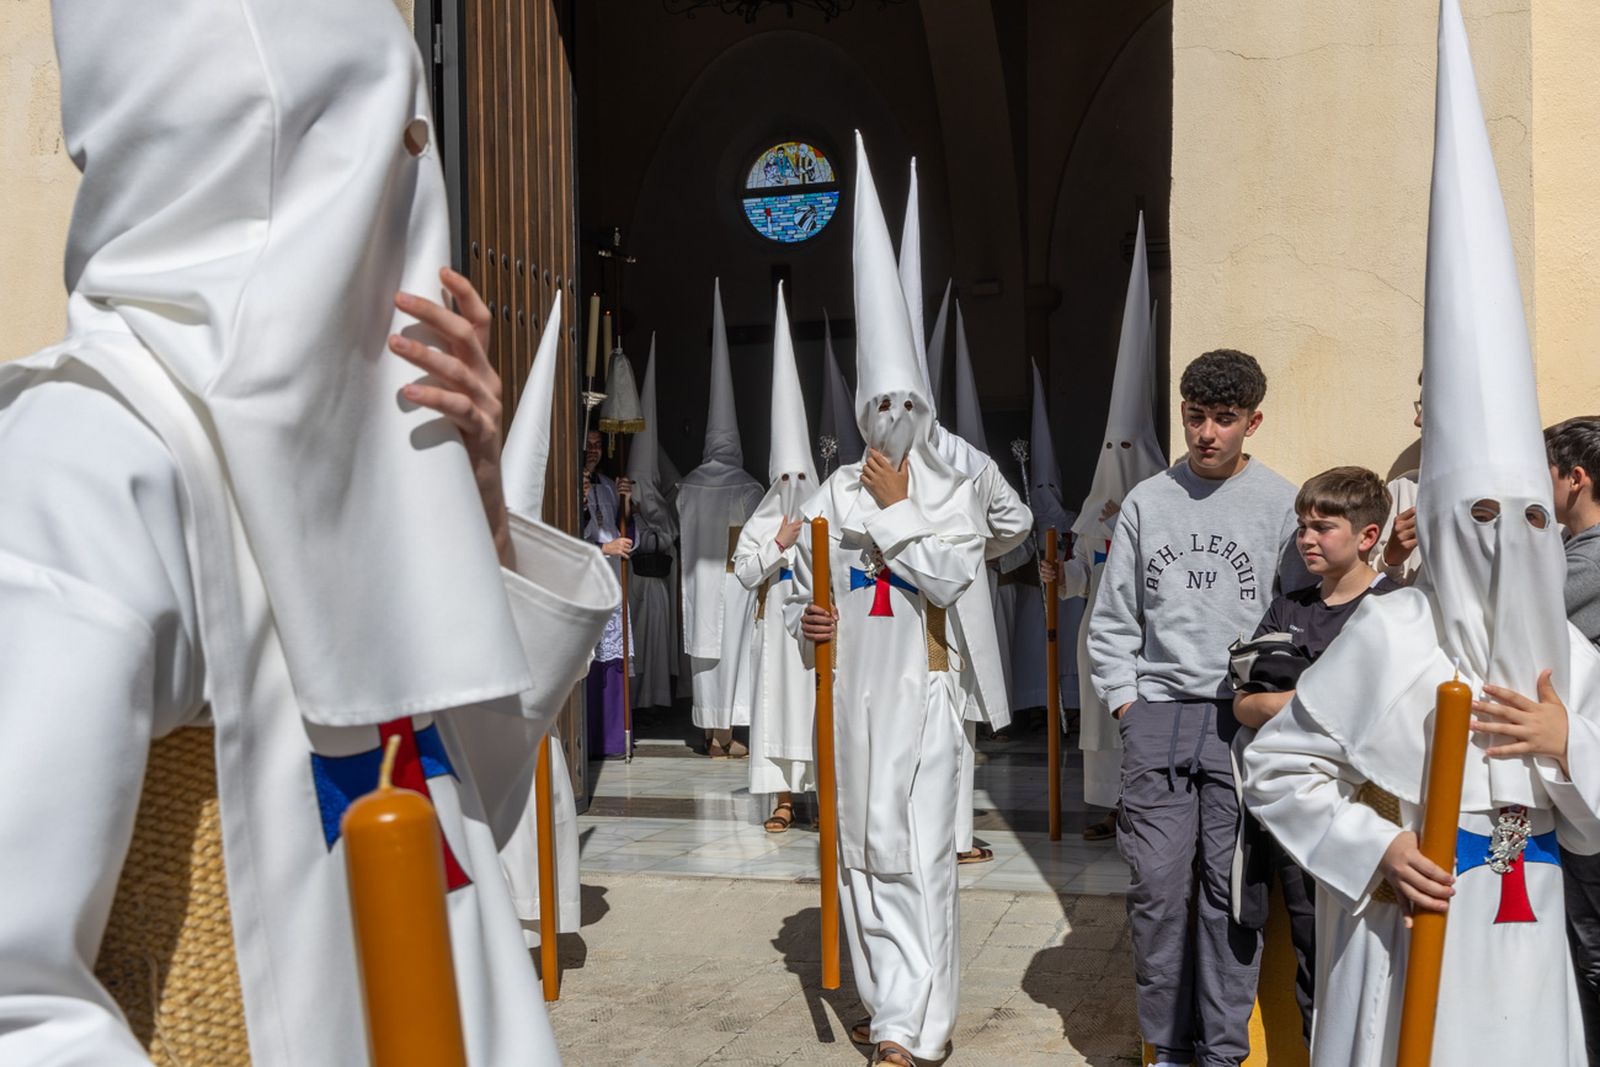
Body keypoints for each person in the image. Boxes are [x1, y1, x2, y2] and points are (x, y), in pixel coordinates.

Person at [0, 1, 618, 1061]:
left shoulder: (363, 448)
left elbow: (480, 796)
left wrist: (473, 501)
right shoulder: (90, 456)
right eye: (386, 166)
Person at [1244, 7, 1600, 1063]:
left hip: (1526, 935)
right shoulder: (1393, 634)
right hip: (1409, 927)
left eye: (1527, 517)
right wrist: (1378, 843)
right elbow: (1278, 766)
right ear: (1434, 522)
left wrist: (1564, 743)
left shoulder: (1566, 659)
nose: (1504, 539)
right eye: (1477, 517)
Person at [785, 133, 987, 1067]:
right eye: (880, 408)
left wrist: (902, 517)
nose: (894, 423)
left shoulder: (949, 490)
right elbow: (804, 591)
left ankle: (920, 1019)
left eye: (909, 405)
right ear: (862, 412)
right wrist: (809, 623)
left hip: (923, 698)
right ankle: (885, 1003)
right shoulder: (829, 492)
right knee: (860, 856)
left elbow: (952, 576)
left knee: (917, 860)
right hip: (852, 700)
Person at [1088, 347, 1306, 1067]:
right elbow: (1114, 617)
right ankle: (1168, 1047)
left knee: (1232, 893)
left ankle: (1222, 1051)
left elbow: (1294, 620)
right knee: (1156, 892)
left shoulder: (1281, 502)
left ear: (1253, 420)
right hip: (1157, 716)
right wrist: (1127, 704)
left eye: (1224, 418)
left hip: (1238, 723)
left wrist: (1269, 706)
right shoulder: (1151, 500)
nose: (1207, 432)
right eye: (1195, 415)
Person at [1230, 466, 1398, 1044]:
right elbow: (1244, 705)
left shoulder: (1399, 609)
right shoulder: (1289, 609)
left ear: (1367, 536)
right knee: (1313, 958)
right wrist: (1309, 699)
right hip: (1299, 821)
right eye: (1303, 526)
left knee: (1373, 965)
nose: (1306, 538)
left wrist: (1295, 700)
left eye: (1322, 527)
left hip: (1377, 821)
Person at [899, 163, 1031, 866]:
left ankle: (945, 834)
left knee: (948, 727)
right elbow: (1017, 524)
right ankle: (929, 834)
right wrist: (981, 550)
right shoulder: (900, 464)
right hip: (894, 613)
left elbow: (1019, 522)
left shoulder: (966, 461)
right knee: (923, 725)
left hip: (939, 616)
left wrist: (973, 558)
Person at [1042, 213, 1164, 841]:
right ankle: (1109, 808)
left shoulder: (1160, 501)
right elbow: (1078, 583)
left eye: (1127, 447)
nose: (1116, 458)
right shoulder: (1091, 510)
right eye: (1108, 448)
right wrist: (1059, 572)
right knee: (1098, 723)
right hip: (1098, 628)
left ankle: (1141, 808)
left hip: (1144, 633)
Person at [734, 283, 817, 832]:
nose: (791, 485)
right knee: (776, 710)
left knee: (813, 712)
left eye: (800, 477)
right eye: (783, 477)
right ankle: (783, 800)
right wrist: (778, 544)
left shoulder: (828, 510)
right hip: (773, 634)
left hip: (814, 630)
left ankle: (820, 794)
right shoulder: (764, 518)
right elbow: (743, 573)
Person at [677, 279, 765, 757]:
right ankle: (728, 734)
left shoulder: (688, 485)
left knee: (704, 657)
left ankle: (711, 734)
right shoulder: (748, 486)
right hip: (733, 581)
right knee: (731, 652)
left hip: (699, 583)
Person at [1547, 416, 1600, 1060]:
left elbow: (1510, 618)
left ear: (1574, 478)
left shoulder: (1586, 560)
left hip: (1588, 779)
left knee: (1590, 954)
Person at [625, 336, 681, 712]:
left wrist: (649, 520)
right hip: (632, 583)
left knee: (655, 643)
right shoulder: (623, 497)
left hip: (655, 585)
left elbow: (667, 538)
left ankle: (656, 701)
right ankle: (635, 703)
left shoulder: (661, 504)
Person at [583, 428, 635, 759]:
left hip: (612, 583)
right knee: (588, 662)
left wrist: (625, 501)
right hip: (585, 583)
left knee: (613, 661)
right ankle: (588, 740)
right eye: (587, 446)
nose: (594, 451)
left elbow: (627, 535)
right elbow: (565, 537)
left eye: (598, 446)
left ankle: (614, 740)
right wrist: (604, 547)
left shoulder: (604, 485)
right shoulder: (575, 484)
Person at [1372, 372, 1424, 586]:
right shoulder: (1404, 489)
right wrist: (1390, 559)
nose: (1418, 420)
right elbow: (1364, 587)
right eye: (1420, 406)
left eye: (1429, 406)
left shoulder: (1520, 495)